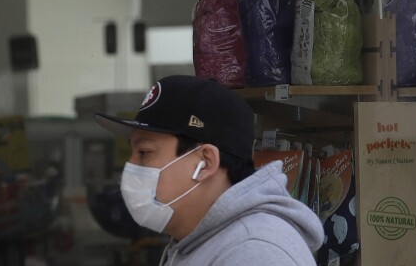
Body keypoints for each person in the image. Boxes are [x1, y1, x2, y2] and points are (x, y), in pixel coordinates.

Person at [95, 75, 323, 265]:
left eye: (144, 153)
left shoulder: (253, 253)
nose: (131, 166)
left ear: (205, 162)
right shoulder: (202, 242)